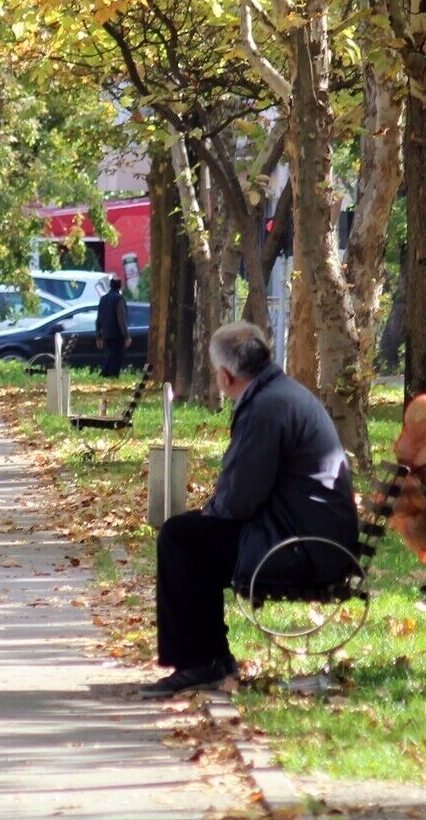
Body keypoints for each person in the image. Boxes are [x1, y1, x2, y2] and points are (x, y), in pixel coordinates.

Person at [142, 322, 358, 698]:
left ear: (225, 377)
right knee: (191, 533)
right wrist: (211, 513)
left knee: (179, 538)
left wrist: (211, 512)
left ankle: (200, 662)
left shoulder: (265, 409)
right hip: (310, 537)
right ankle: (209, 658)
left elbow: (240, 498)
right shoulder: (279, 394)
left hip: (299, 548)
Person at [95, 276, 128, 377]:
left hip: (106, 333)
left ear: (110, 286)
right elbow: (121, 318)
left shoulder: (103, 299)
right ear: (120, 286)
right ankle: (110, 375)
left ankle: (105, 375)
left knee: (110, 355)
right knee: (117, 357)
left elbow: (99, 318)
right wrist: (126, 335)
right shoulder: (119, 299)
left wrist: (98, 335)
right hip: (117, 334)